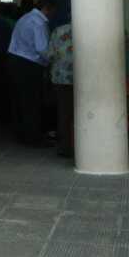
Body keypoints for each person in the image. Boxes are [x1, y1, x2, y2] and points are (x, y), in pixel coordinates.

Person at [8, 0, 58, 147]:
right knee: (32, 102)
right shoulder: (39, 22)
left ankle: (23, 134)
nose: (53, 14)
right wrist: (52, 62)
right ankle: (33, 138)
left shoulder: (26, 17)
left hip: (16, 61)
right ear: (47, 8)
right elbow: (42, 49)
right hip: (28, 65)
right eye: (53, 11)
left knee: (21, 101)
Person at [47, 22, 74, 158]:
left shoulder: (58, 30)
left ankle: (65, 148)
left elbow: (49, 54)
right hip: (85, 78)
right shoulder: (92, 29)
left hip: (61, 78)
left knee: (64, 114)